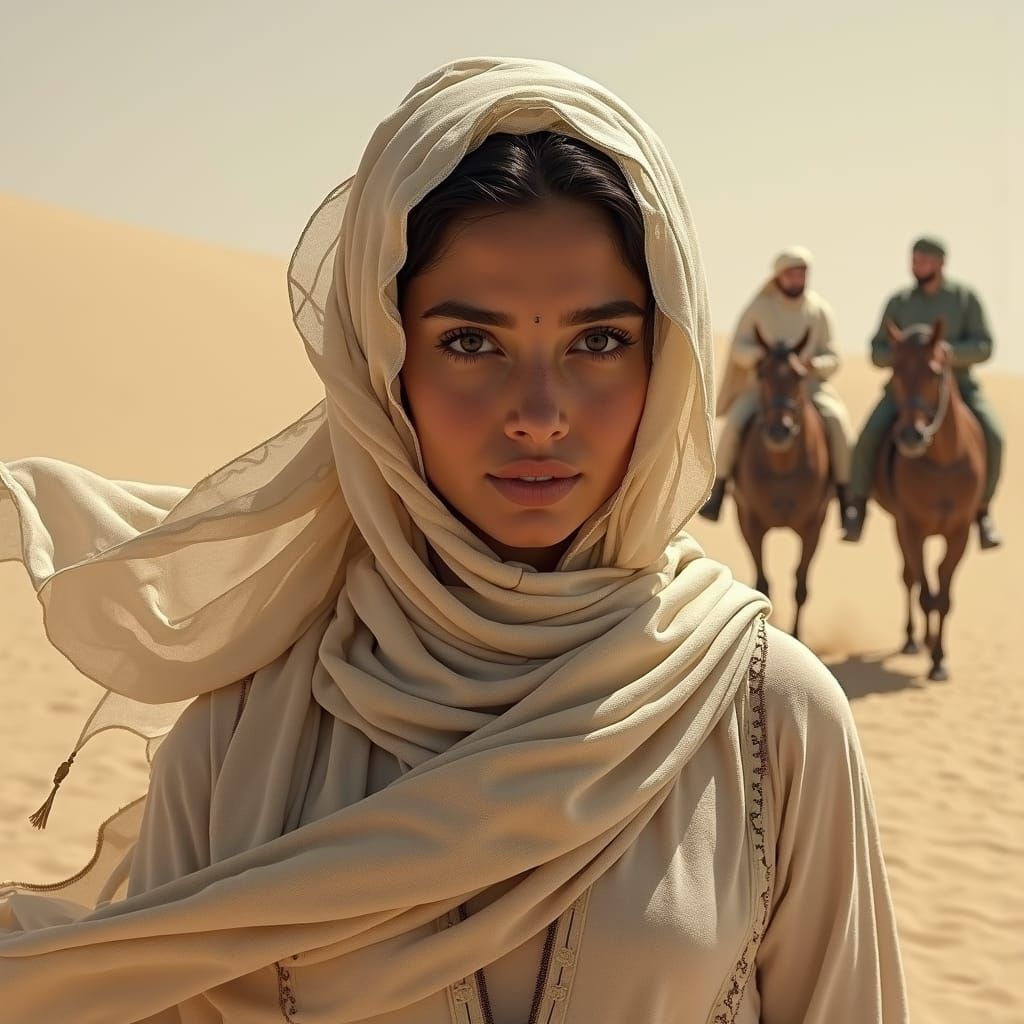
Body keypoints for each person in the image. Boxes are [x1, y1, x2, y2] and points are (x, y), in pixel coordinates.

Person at [0, 58, 907, 1023]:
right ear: (383, 367)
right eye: (471, 343)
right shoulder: (239, 741)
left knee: (849, 433)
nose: (540, 414)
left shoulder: (772, 719)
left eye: (598, 341)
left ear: (665, 361)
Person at [842, 236, 1004, 547]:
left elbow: (985, 346)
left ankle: (983, 512)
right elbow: (877, 350)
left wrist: (948, 353)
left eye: (924, 260)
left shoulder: (964, 299)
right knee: (867, 436)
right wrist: (903, 356)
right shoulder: (899, 302)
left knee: (995, 434)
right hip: (905, 388)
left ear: (941, 263)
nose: (918, 266)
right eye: (914, 259)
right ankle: (858, 506)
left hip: (959, 385)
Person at [699, 246, 854, 527]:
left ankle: (846, 498)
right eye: (792, 273)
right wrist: (759, 357)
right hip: (764, 389)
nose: (797, 278)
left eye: (802, 273)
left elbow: (834, 356)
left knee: (837, 421)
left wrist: (813, 365)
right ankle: (718, 492)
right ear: (780, 276)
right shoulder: (760, 307)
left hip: (808, 388)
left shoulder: (818, 310)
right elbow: (739, 348)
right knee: (735, 422)